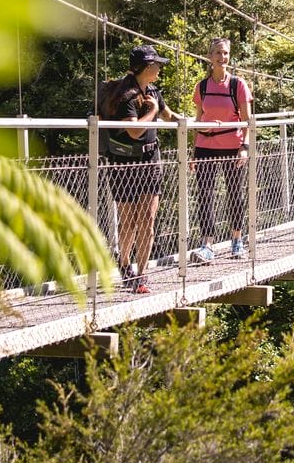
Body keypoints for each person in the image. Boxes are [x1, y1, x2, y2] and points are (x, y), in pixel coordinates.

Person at [97, 45, 179, 293]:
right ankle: (124, 266)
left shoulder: (152, 89)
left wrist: (193, 123)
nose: (160, 68)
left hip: (150, 160)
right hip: (123, 163)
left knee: (147, 218)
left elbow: (166, 115)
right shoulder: (125, 95)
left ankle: (142, 275)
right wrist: (152, 110)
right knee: (129, 220)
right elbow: (135, 131)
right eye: (157, 64)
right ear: (146, 67)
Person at [191, 37, 253, 261]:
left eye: (225, 53)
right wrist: (193, 152)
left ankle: (237, 240)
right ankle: (207, 244)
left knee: (235, 194)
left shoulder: (238, 85)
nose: (222, 57)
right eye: (218, 53)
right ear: (210, 57)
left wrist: (244, 147)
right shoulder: (202, 86)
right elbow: (198, 120)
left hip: (232, 145)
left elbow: (247, 120)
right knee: (205, 195)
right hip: (205, 146)